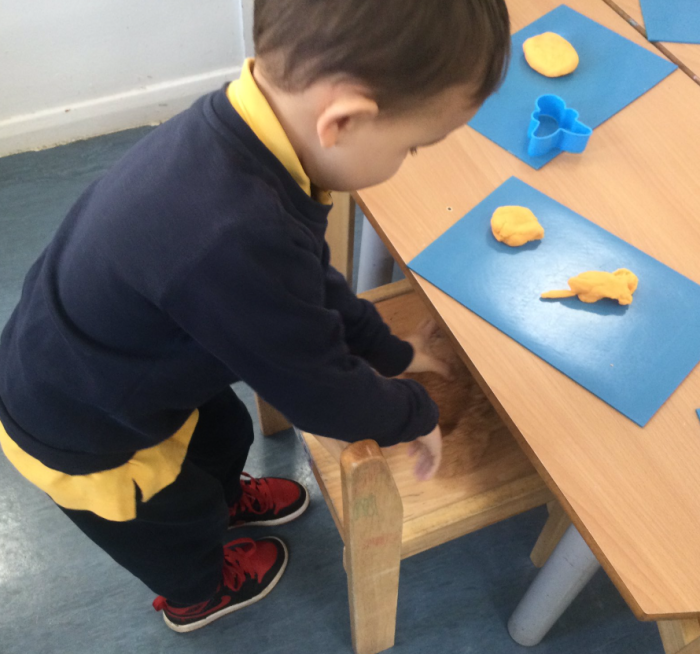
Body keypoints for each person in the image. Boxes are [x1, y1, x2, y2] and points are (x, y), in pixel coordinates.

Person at [0, 0, 510, 634]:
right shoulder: (234, 233)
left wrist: (391, 350)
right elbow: (321, 395)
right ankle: (197, 594)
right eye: (411, 146)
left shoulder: (245, 136)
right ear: (343, 120)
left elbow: (306, 280)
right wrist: (415, 414)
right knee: (171, 521)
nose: (408, 159)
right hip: (85, 428)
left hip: (124, 365)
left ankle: (222, 499)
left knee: (221, 432)